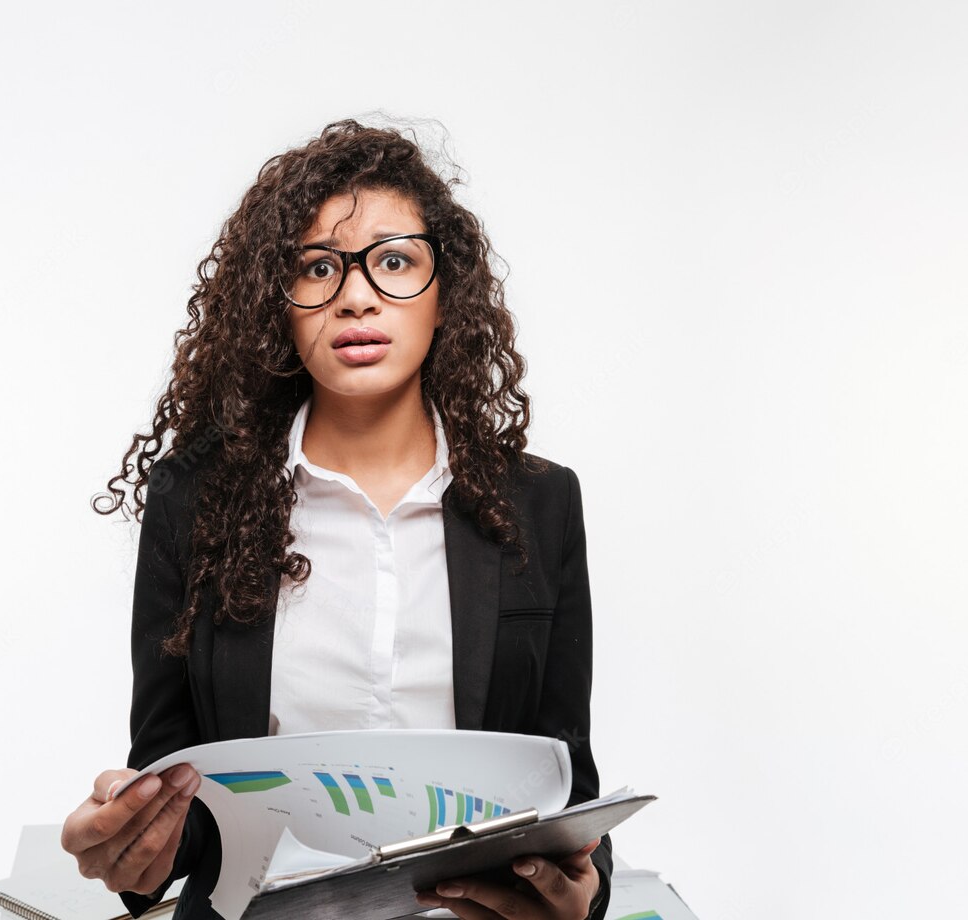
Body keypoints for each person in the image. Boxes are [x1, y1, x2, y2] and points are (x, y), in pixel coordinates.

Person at [61, 117, 613, 920]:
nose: (356, 294)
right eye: (318, 267)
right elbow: (175, 797)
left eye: (394, 261)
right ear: (276, 305)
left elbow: (569, 791)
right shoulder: (196, 498)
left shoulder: (540, 502)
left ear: (444, 294)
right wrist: (131, 846)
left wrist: (583, 897)